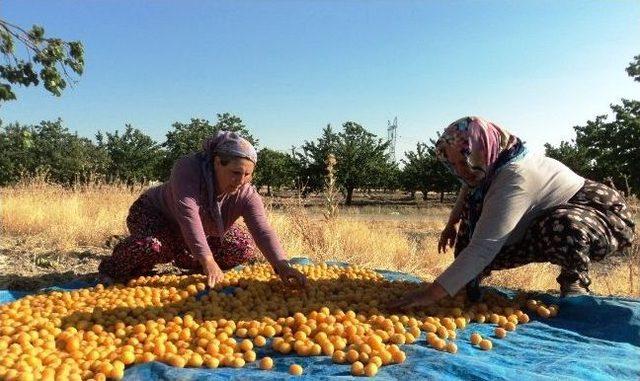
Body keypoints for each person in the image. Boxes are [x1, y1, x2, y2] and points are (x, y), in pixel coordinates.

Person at [391, 116, 635, 309]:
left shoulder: (516, 176)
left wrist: (431, 294)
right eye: (453, 164)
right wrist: (452, 223)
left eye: (463, 163)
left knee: (562, 225)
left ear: (480, 152)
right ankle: (469, 281)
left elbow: (485, 246)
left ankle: (574, 282)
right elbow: (469, 186)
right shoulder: (488, 164)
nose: (460, 170)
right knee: (472, 227)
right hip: (537, 214)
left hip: (596, 212)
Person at [98, 131, 307, 289]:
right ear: (217, 163)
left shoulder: (245, 193)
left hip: (200, 229)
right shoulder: (188, 170)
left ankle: (189, 259)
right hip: (156, 215)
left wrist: (282, 266)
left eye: (247, 175)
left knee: (242, 247)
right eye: (235, 172)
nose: (240, 181)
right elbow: (189, 215)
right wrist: (207, 259)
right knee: (151, 247)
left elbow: (262, 230)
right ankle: (113, 266)